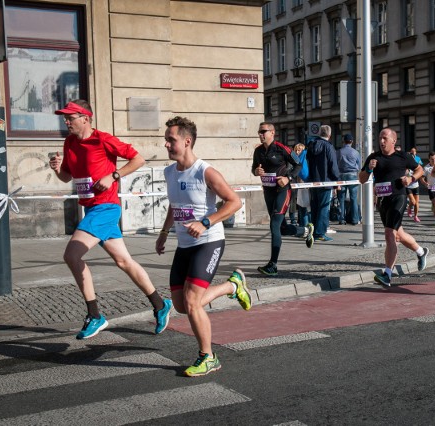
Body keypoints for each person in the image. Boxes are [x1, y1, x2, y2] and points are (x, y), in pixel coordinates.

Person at [49, 100, 172, 340]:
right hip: (91, 209)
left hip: (105, 208)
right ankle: (160, 304)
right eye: (64, 118)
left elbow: (138, 159)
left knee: (71, 255)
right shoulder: (70, 142)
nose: (66, 122)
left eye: (70, 117)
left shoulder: (103, 139)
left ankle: (95, 315)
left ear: (85, 118)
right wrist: (56, 168)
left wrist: (113, 175)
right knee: (124, 262)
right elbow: (66, 177)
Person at [155, 116, 252, 377]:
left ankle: (207, 356)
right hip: (184, 244)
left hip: (209, 242)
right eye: (166, 139)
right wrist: (164, 232)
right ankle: (233, 286)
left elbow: (234, 202)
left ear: (187, 141)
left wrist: (206, 222)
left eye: (171, 139)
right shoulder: (169, 172)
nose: (166, 144)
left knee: (192, 301)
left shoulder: (204, 171)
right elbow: (176, 206)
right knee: (181, 305)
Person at [359, 128, 429, 287]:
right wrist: (369, 169)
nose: (381, 141)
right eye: (380, 138)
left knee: (390, 233)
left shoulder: (403, 156)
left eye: (385, 138)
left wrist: (411, 178)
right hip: (383, 201)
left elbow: (420, 169)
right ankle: (421, 251)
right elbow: (362, 179)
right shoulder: (373, 157)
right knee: (398, 234)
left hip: (399, 197)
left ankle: (387, 274)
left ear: (393, 141)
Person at [252, 122, 315, 275]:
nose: (261, 134)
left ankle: (272, 265)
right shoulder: (258, 151)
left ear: (272, 133)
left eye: (263, 131)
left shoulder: (282, 148)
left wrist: (288, 178)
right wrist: (256, 171)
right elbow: (253, 169)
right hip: (268, 191)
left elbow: (298, 165)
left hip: (283, 191)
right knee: (282, 228)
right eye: (259, 132)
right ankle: (305, 231)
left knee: (274, 225)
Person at [306, 125, 340, 241]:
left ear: (319, 133)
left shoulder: (311, 145)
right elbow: (333, 165)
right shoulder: (328, 147)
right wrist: (337, 180)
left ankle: (314, 228)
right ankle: (319, 233)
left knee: (315, 207)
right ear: (329, 135)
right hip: (326, 182)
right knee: (324, 208)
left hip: (313, 181)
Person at [336, 134, 361, 225]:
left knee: (341, 198)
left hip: (341, 175)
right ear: (352, 141)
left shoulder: (338, 152)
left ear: (344, 141)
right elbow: (359, 165)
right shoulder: (355, 152)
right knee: (353, 198)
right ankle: (355, 219)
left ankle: (342, 219)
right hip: (352, 175)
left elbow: (335, 164)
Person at [421, 151, 435, 226]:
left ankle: (433, 206)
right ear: (429, 159)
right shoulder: (426, 168)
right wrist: (425, 183)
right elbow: (422, 178)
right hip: (432, 187)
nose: (434, 160)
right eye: (432, 159)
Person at [407, 147, 424, 222]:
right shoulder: (406, 163)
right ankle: (409, 208)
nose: (413, 153)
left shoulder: (418, 161)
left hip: (416, 185)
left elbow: (421, 170)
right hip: (408, 186)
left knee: (416, 203)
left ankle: (416, 216)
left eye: (414, 152)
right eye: (411, 152)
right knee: (413, 201)